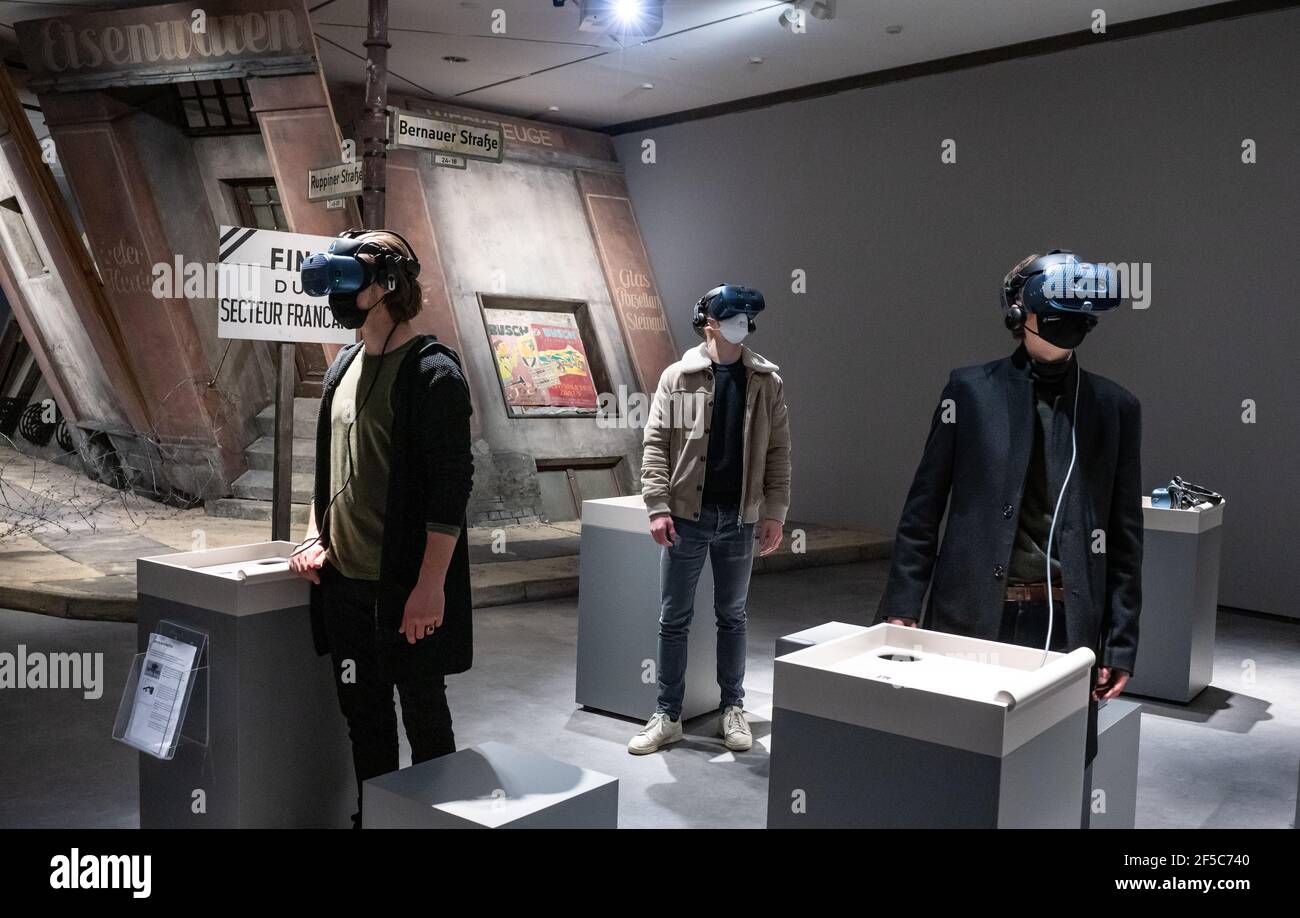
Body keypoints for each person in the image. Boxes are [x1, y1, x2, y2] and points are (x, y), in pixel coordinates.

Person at [875, 251, 1142, 825]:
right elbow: (924, 508)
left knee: (1056, 773)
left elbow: (1124, 537)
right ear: (1020, 314)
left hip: (1067, 626)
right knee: (958, 763)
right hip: (974, 614)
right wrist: (902, 606)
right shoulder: (968, 391)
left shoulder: (1115, 408)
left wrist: (1120, 643)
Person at [288, 229, 474, 828]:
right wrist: (317, 533)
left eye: (353, 278)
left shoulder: (433, 374)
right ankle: (375, 821)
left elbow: (450, 495)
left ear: (390, 285)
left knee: (423, 715)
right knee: (363, 717)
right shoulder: (343, 365)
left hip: (403, 588)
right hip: (345, 584)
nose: (340, 292)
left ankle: (433, 820)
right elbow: (329, 467)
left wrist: (430, 588)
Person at [630, 285, 792, 755]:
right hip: (687, 516)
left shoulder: (767, 380)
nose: (743, 324)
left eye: (747, 317)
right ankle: (668, 714)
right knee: (673, 618)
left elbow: (780, 452)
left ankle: (732, 709)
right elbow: (656, 443)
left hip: (739, 519)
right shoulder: (678, 377)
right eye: (733, 316)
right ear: (710, 323)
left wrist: (774, 513)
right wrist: (657, 505)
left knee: (733, 617)